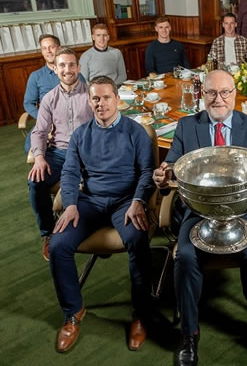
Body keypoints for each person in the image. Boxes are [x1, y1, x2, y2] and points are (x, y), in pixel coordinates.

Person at [153, 70, 247, 366]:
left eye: (225, 92)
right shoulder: (187, 126)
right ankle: (189, 334)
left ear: (235, 94)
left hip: (246, 210)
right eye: (212, 93)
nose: (219, 99)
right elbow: (172, 167)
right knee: (185, 257)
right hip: (199, 211)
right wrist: (162, 178)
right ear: (202, 94)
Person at [49, 75, 155, 353]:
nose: (101, 103)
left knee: (137, 239)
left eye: (107, 97)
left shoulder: (136, 132)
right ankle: (73, 312)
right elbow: (70, 172)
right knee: (58, 244)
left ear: (118, 100)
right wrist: (70, 202)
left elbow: (147, 173)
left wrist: (138, 200)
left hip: (126, 202)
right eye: (95, 98)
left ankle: (141, 315)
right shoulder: (81, 134)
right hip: (91, 201)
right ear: (89, 101)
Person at [28, 47, 93, 261]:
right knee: (36, 182)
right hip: (59, 153)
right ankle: (47, 233)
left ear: (78, 67)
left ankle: (95, 228)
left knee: (97, 186)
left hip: (88, 153)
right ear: (55, 69)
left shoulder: (91, 95)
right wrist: (38, 157)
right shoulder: (49, 99)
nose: (68, 69)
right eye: (62, 65)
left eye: (71, 65)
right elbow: (39, 132)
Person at [22, 34, 61, 153]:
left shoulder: (74, 72)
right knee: (30, 147)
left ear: (59, 48)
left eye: (51, 47)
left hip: (73, 118)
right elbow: (28, 103)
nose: (48, 51)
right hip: (47, 120)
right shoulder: (36, 76)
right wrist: (42, 118)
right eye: (44, 48)